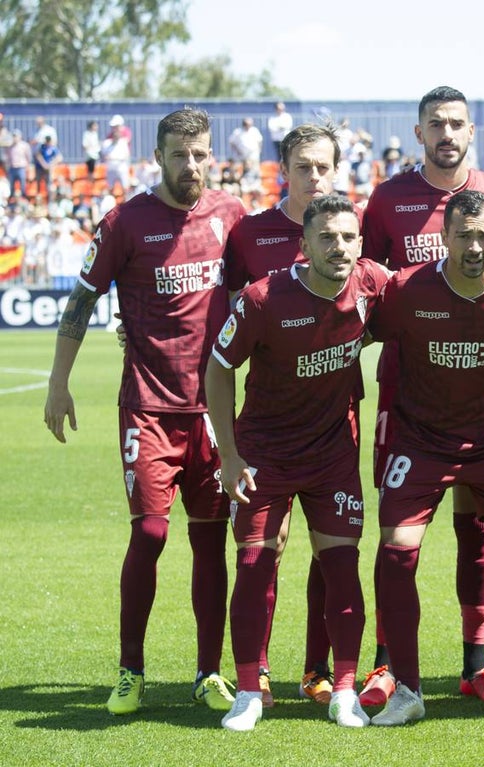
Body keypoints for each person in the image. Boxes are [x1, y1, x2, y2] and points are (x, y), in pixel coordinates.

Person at [43, 107, 247, 716]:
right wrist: (59, 383)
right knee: (152, 533)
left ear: (212, 155)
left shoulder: (231, 217)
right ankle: (131, 670)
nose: (192, 165)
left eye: (201, 154)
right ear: (158, 156)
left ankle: (208, 673)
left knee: (212, 544)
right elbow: (82, 298)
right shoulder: (126, 222)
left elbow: (253, 299)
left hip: (213, 411)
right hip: (148, 409)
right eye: (180, 155)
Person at [359, 85, 484, 709]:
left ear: (472, 130)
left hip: (482, 392)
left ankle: (476, 664)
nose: (448, 133)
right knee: (398, 528)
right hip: (407, 393)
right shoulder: (388, 199)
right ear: (419, 132)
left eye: (457, 123)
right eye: (437, 124)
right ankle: (386, 663)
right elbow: (367, 283)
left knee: (476, 525)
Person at [366, 190, 484, 725]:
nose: (475, 246)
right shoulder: (406, 290)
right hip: (421, 443)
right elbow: (354, 331)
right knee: (397, 553)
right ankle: (407, 689)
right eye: (464, 235)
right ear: (444, 237)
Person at [205, 194, 385, 731]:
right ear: (303, 246)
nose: (339, 247)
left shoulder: (373, 283)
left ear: (360, 242)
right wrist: (230, 454)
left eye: (348, 237)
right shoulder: (263, 299)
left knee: (342, 566)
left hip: (332, 453)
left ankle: (345, 691)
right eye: (326, 237)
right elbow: (218, 368)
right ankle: (248, 691)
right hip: (265, 454)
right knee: (255, 564)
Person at [223, 122, 344, 708]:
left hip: (334, 420)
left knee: (331, 549)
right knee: (264, 548)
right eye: (304, 167)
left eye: (324, 166)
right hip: (268, 424)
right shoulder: (250, 235)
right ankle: (258, 672)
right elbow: (222, 319)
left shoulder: (351, 226)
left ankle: (318, 670)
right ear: (284, 170)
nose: (314, 177)